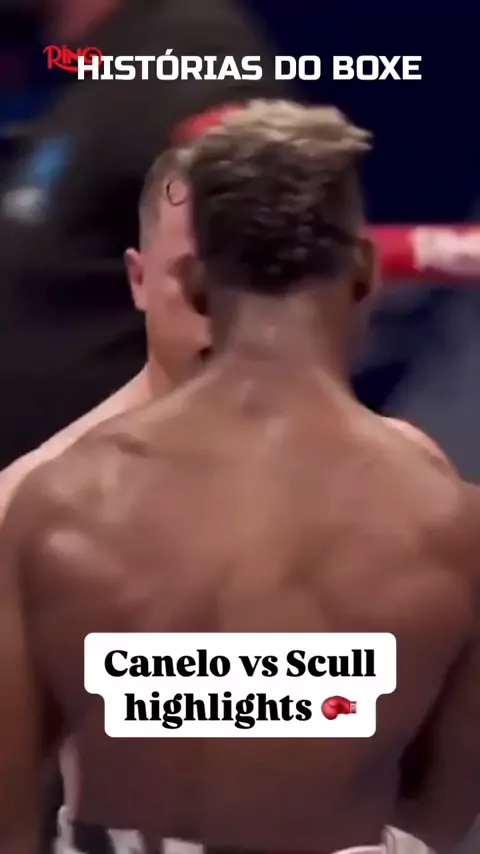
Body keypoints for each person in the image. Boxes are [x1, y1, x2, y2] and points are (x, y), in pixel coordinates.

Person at [1, 100, 478, 854]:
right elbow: (443, 808)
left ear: (197, 281)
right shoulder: (443, 520)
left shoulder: (57, 506)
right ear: (366, 271)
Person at [0, 0, 293, 469]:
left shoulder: (190, 49)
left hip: (130, 496)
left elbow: (265, 289)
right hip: (55, 495)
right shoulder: (97, 68)